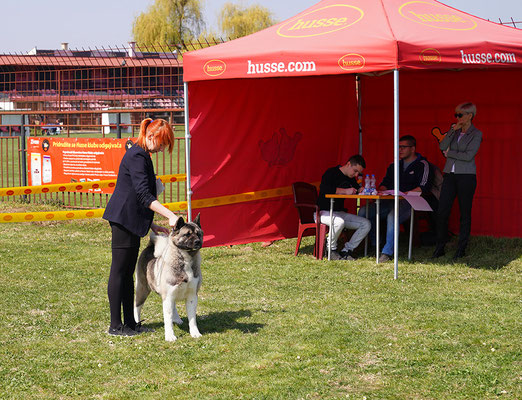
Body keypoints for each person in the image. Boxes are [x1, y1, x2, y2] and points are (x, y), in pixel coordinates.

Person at [103, 118, 179, 336]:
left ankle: (130, 324)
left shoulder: (143, 154)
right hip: (123, 220)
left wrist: (152, 224)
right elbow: (144, 195)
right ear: (151, 136)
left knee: (127, 273)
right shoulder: (137, 156)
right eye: (163, 144)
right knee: (119, 272)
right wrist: (170, 215)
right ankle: (115, 325)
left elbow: (139, 194)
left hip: (131, 220)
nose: (163, 149)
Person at [359, 135, 434, 262]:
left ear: (413, 149)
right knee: (363, 211)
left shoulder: (423, 164)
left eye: (403, 147)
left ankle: (387, 252)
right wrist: (381, 191)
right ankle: (375, 245)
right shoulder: (394, 165)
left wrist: (405, 194)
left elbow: (424, 187)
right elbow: (385, 183)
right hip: (389, 200)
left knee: (392, 216)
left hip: (409, 202)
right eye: (398, 147)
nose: (399, 150)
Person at [432, 102, 482, 260]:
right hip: (449, 175)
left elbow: (468, 156)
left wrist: (450, 153)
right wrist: (451, 132)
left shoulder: (476, 134)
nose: (457, 118)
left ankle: (461, 248)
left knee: (464, 213)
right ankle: (440, 247)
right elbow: (442, 146)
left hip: (466, 176)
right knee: (442, 211)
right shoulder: (455, 131)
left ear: (469, 116)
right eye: (456, 115)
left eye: (460, 115)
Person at [316, 155, 371, 260]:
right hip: (323, 212)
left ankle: (347, 250)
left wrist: (362, 190)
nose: (355, 175)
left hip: (339, 212)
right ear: (348, 164)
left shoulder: (351, 179)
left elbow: (357, 188)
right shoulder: (331, 172)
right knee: (339, 222)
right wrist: (345, 191)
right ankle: (330, 250)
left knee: (366, 224)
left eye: (358, 173)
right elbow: (324, 189)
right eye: (355, 171)